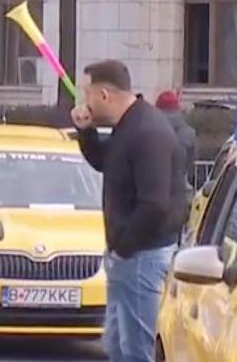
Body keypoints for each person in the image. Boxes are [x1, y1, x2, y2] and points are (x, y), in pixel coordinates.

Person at [71, 60, 187, 362]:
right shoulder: (129, 126)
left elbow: (155, 204)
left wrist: (123, 248)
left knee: (136, 349)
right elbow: (106, 161)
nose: (85, 101)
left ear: (104, 95)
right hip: (131, 256)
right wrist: (86, 132)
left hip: (141, 257)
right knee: (118, 346)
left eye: (87, 93)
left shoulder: (147, 132)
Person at [154, 90, 197, 189]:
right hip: (178, 188)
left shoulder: (147, 131)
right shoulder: (189, 133)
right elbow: (191, 162)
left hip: (151, 188)